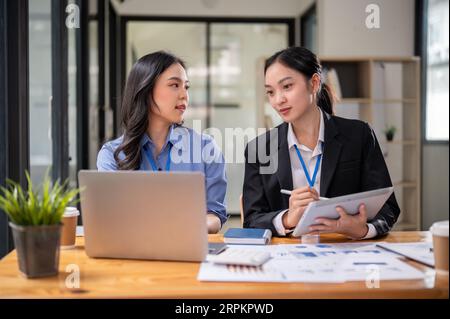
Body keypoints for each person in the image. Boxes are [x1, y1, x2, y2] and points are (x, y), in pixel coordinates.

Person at [243, 47, 400, 239]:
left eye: (287, 87)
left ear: (314, 83)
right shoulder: (259, 149)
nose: (278, 100)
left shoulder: (359, 136)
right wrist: (288, 219)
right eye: (270, 92)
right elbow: (251, 220)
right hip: (286, 256)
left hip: (345, 250)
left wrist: (363, 229)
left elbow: (388, 208)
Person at [97, 51, 227, 234]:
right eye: (174, 85)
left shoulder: (206, 148)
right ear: (145, 89)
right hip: (133, 253)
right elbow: (113, 218)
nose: (184, 95)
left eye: (186, 87)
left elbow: (215, 215)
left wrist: (184, 227)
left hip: (188, 250)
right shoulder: (112, 154)